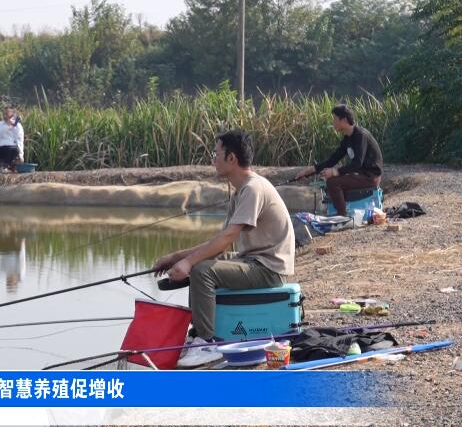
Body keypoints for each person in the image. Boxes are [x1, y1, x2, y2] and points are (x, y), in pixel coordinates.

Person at [153, 130, 295, 367]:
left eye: (215, 154)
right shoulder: (240, 191)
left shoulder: (253, 188)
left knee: (202, 271)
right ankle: (198, 335)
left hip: (269, 269)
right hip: (254, 262)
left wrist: (188, 263)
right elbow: (219, 242)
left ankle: (206, 343)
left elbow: (227, 238)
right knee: (201, 265)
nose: (213, 160)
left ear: (231, 158)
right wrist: (176, 257)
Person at [295, 104, 383, 216]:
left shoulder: (360, 135)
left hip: (371, 177)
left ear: (344, 120)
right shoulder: (347, 139)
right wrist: (309, 171)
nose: (333, 123)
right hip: (361, 175)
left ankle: (342, 215)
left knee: (333, 182)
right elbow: (332, 160)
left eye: (335, 119)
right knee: (332, 180)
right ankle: (343, 211)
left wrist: (335, 172)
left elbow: (357, 163)